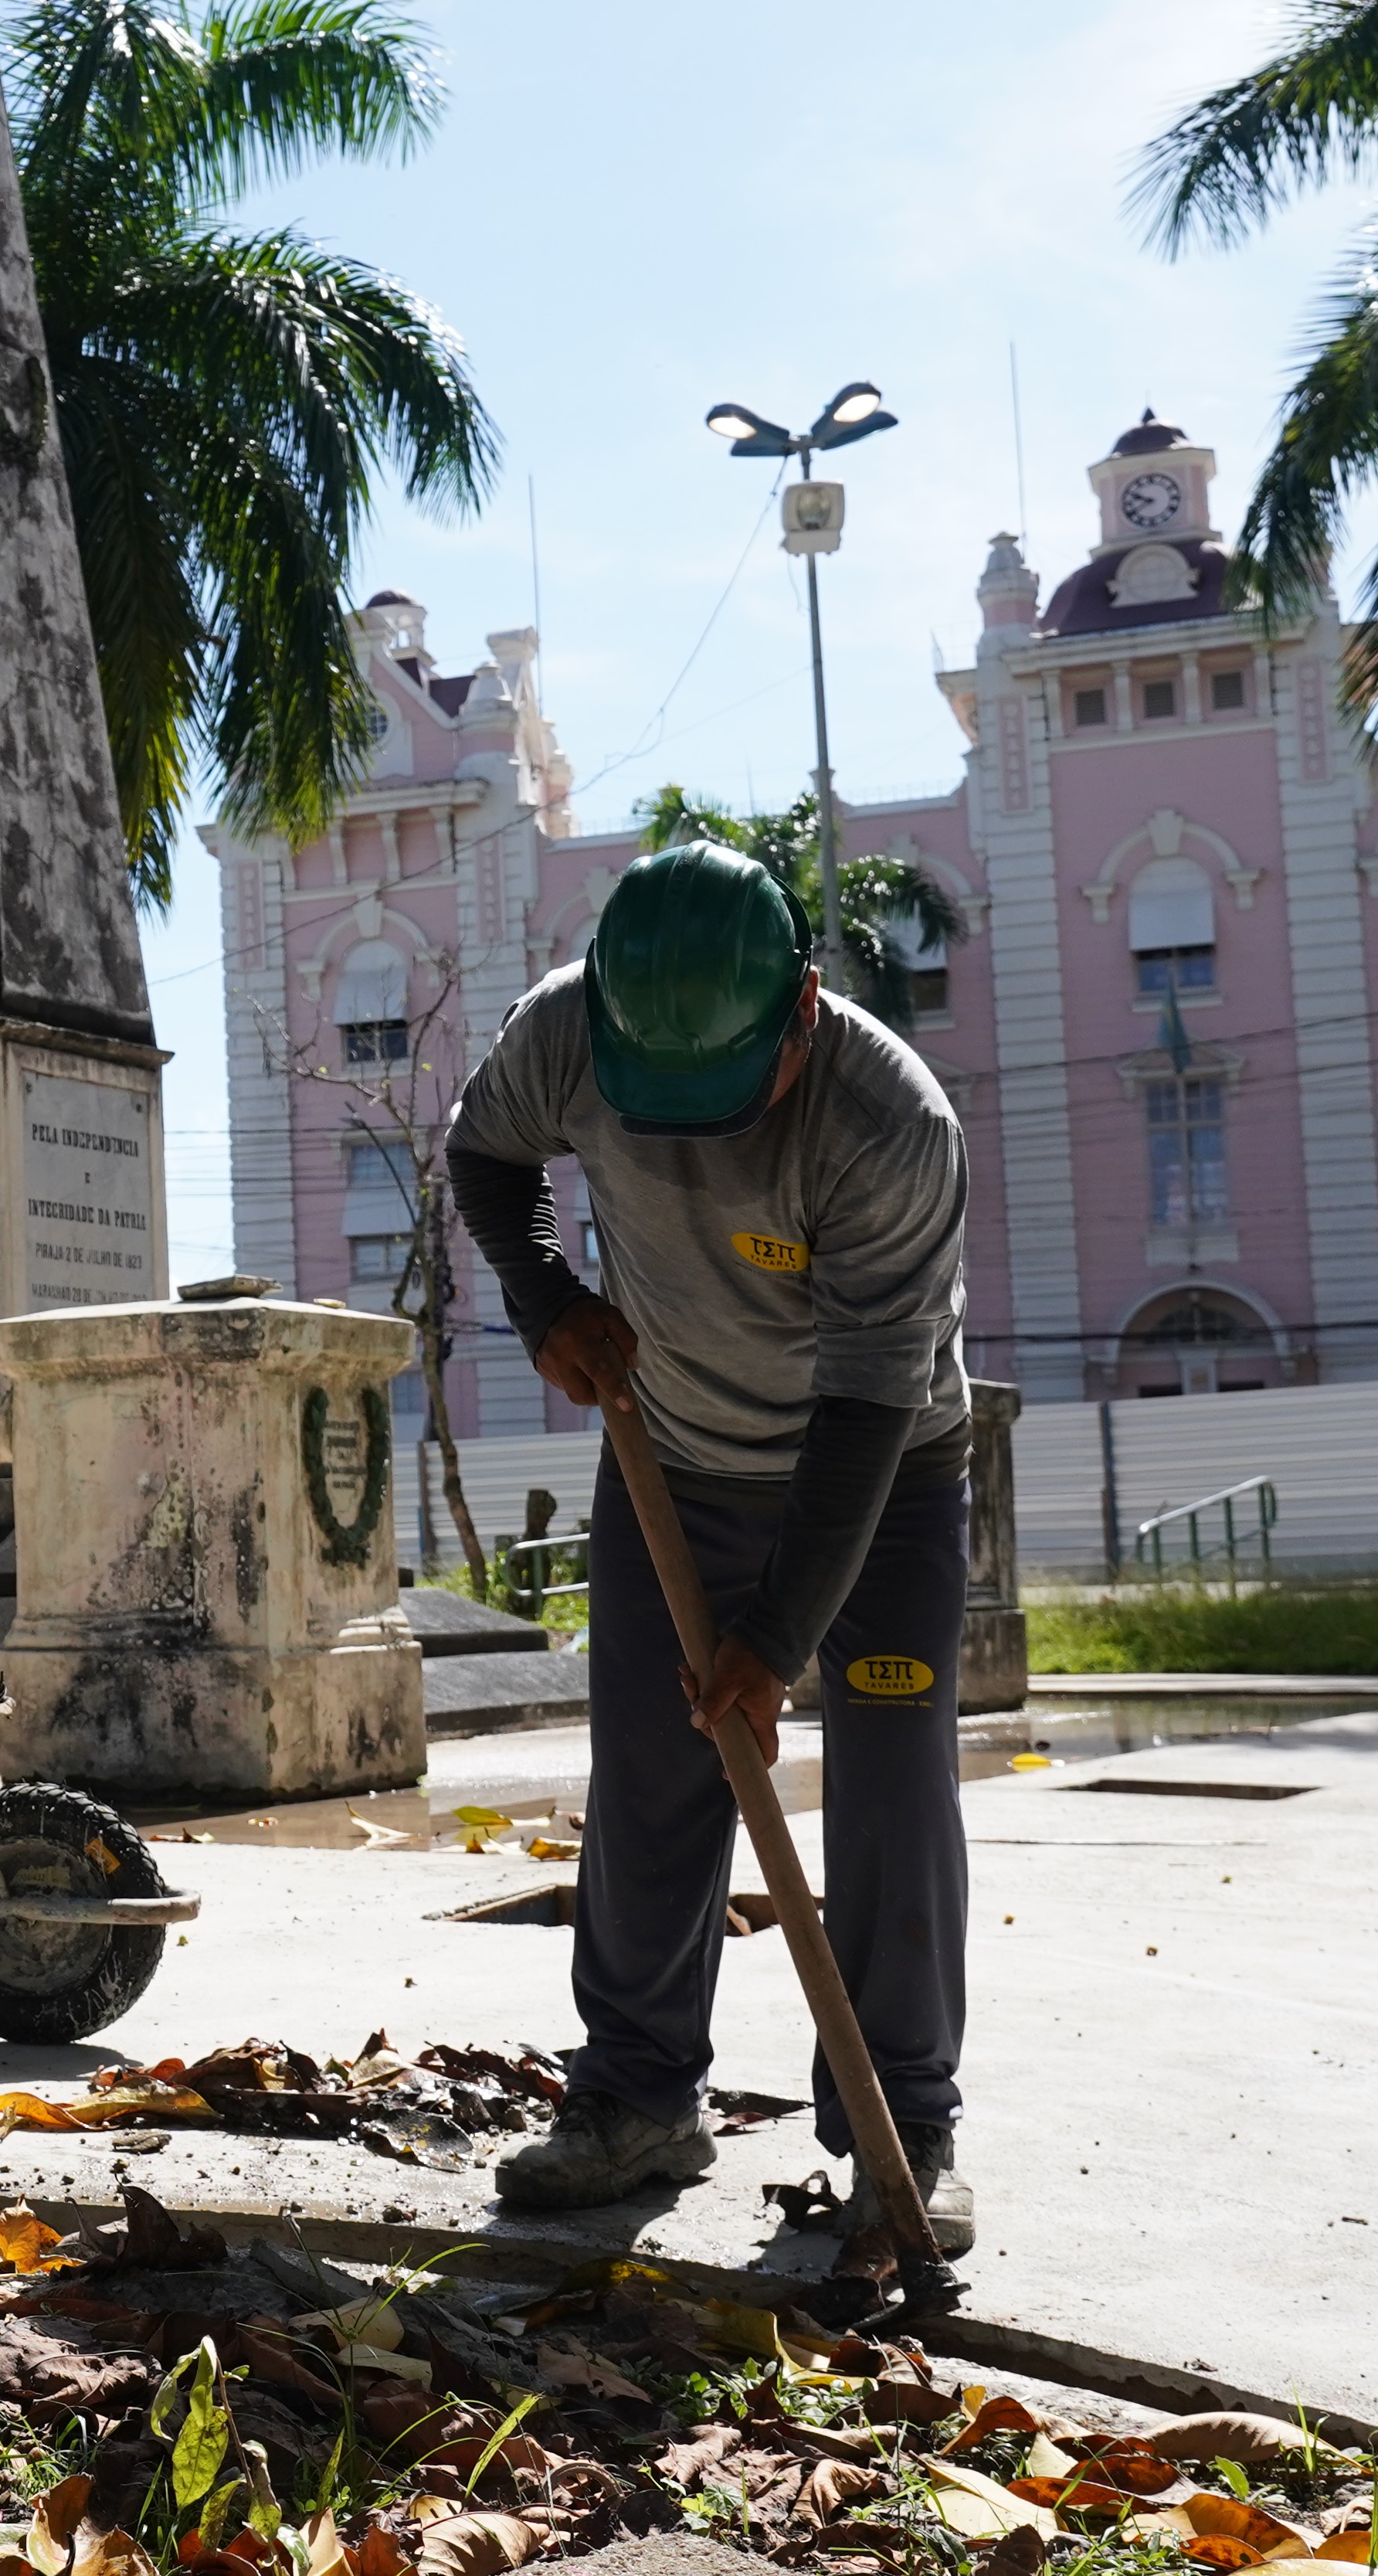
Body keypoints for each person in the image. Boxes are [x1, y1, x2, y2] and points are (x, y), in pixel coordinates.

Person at [442, 839, 980, 2253]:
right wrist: (543, 1296)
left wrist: (777, 1638)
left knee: (890, 1789)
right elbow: (482, 1154)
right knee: (653, 1779)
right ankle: (633, 2099)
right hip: (671, 1463)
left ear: (801, 1010)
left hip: (884, 1479)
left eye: (720, 1099)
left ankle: (899, 2127)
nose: (687, 1135)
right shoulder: (567, 1027)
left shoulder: (889, 1123)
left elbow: (870, 1406)